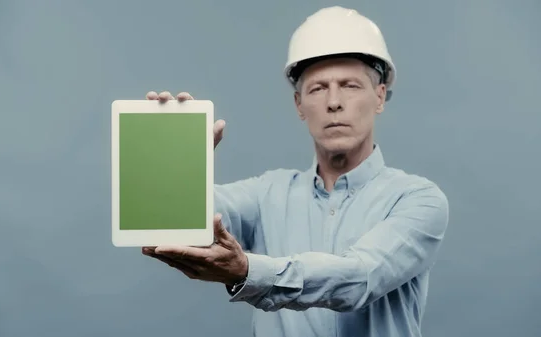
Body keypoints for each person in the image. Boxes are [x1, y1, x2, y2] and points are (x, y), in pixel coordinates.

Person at [142, 6, 449, 337]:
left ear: (379, 96)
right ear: (299, 104)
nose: (334, 102)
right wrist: (174, 162)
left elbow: (360, 278)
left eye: (350, 85)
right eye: (318, 88)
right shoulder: (266, 195)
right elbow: (182, 219)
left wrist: (248, 271)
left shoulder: (418, 200)